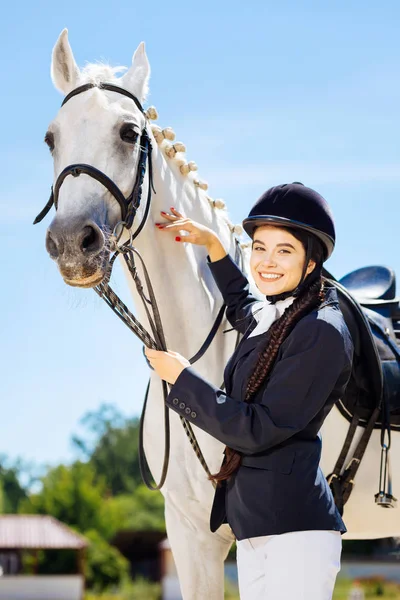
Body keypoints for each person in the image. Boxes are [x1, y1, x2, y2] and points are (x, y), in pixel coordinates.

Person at [145, 182, 354, 600]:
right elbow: (243, 304)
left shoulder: (320, 332)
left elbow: (257, 429)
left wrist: (182, 378)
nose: (267, 262)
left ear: (311, 262)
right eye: (259, 248)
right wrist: (213, 246)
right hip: (255, 530)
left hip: (296, 535)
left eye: (284, 251)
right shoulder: (282, 316)